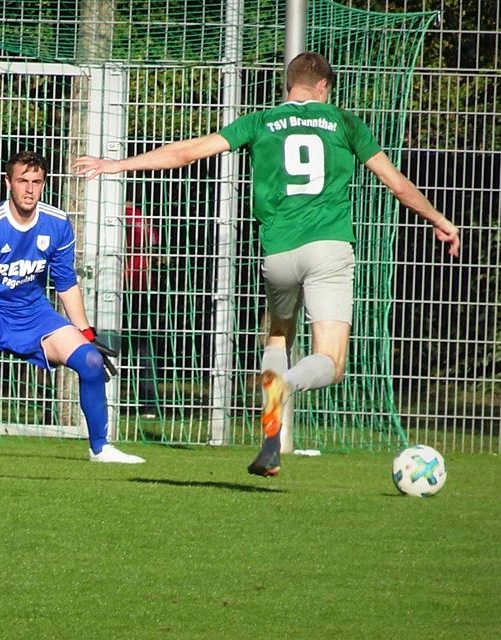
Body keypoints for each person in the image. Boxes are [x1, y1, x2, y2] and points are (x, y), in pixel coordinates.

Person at [72, 52, 460, 477]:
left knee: (277, 336)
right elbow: (398, 186)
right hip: (328, 249)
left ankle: (271, 441)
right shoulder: (345, 122)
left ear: (288, 86)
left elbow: (188, 152)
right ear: (324, 87)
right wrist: (440, 221)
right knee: (330, 361)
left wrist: (116, 164)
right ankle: (287, 384)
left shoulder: (260, 122)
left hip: (277, 254)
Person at [0, 150, 144, 463]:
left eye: (36, 181)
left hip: (34, 313)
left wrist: (86, 333)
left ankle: (101, 448)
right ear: (8, 183)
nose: (29, 189)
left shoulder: (57, 223)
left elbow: (66, 283)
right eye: (22, 181)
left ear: (44, 184)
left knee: (90, 362)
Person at [123, 201, 161, 418]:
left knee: (139, 347)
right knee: (144, 348)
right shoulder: (138, 216)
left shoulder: (131, 216)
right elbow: (153, 246)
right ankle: (148, 405)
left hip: (130, 286)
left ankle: (146, 403)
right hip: (141, 286)